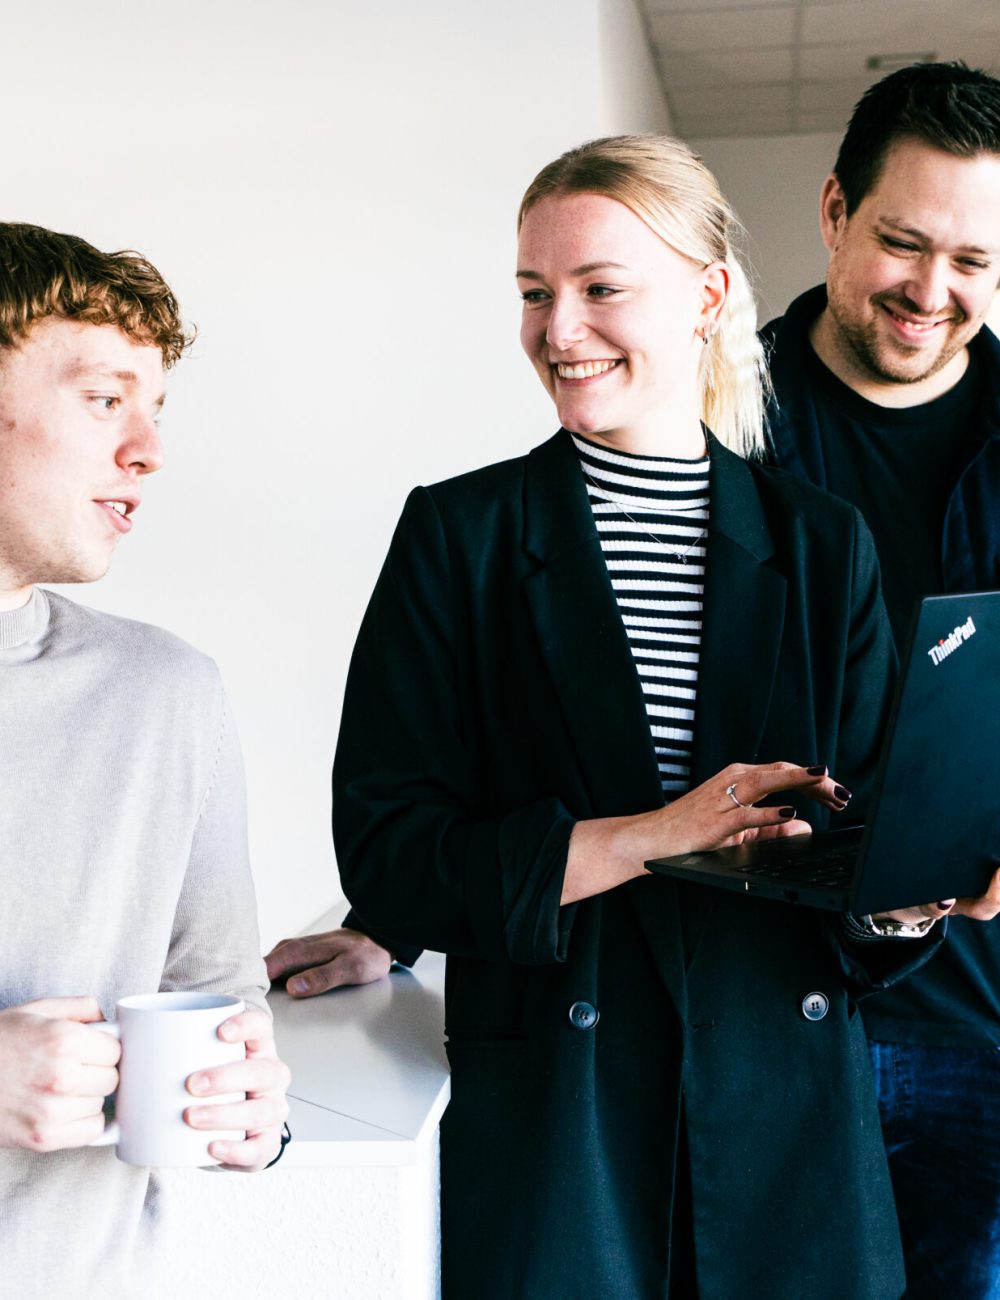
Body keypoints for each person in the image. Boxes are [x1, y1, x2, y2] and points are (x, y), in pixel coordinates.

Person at [292, 137, 1000, 1299]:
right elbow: (392, 853)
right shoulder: (458, 538)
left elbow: (863, 846)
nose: (558, 330)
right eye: (534, 293)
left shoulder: (822, 544)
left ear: (708, 295)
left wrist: (917, 886)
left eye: (599, 288)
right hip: (561, 1130)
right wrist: (649, 832)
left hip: (790, 1129)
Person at [0, 223, 291, 1298]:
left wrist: (251, 1105)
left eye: (155, 408)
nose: (148, 450)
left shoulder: (170, 693)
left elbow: (215, 987)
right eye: (102, 397)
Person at [759, 62, 1000, 1300]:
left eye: (972, 261)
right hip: (755, 1006)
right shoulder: (711, 427)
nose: (930, 292)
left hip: (972, 1016)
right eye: (902, 243)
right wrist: (402, 915)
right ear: (832, 211)